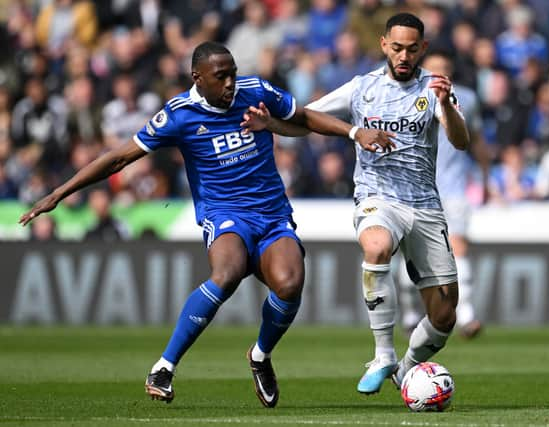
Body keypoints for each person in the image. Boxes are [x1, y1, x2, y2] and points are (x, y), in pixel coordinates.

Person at [19, 41, 392, 408]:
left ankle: (260, 355)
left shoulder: (256, 90)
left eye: (232, 73)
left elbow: (305, 118)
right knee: (226, 273)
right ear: (197, 78)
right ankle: (164, 367)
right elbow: (119, 158)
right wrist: (59, 193)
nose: (230, 83)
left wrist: (354, 132)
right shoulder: (179, 115)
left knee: (291, 284)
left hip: (272, 212)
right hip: (224, 212)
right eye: (221, 76)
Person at [241, 13, 470, 394]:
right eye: (396, 48)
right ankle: (382, 354)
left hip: (426, 205)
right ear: (383, 44)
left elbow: (461, 141)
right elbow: (310, 117)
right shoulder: (361, 88)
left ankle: (406, 369)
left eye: (412, 49)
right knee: (376, 247)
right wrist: (273, 126)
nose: (403, 56)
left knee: (445, 315)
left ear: (423, 49)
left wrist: (445, 106)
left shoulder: (435, 88)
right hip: (377, 197)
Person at [398, 51, 487, 339]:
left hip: (454, 188)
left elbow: (477, 140)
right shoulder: (405, 97)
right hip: (414, 188)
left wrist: (486, 180)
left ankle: (467, 315)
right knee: (411, 254)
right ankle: (412, 313)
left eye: (445, 68)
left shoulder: (466, 99)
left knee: (459, 246)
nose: (439, 73)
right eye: (433, 68)